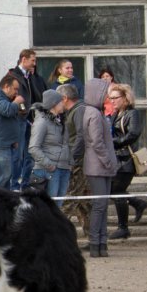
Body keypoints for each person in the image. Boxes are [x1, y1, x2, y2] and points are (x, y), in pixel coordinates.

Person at [109, 84, 147, 239]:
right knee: (114, 191)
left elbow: (133, 134)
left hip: (127, 159)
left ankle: (123, 227)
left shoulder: (132, 113)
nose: (112, 101)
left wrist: (113, 142)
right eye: (110, 98)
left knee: (116, 191)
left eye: (115, 98)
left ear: (125, 98)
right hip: (117, 158)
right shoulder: (116, 113)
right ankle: (137, 204)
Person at [83, 78, 118, 258]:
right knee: (99, 205)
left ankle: (102, 243)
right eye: (106, 93)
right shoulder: (94, 114)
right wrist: (108, 161)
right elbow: (96, 142)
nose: (108, 96)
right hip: (98, 166)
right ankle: (96, 242)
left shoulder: (96, 112)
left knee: (102, 205)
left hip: (101, 166)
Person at [9, 48, 48, 190]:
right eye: (33, 60)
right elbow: (14, 97)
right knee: (18, 155)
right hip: (20, 119)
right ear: (23, 60)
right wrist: (22, 111)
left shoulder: (31, 77)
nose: (34, 63)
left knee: (30, 153)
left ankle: (25, 183)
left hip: (32, 120)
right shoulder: (13, 75)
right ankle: (14, 184)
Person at [58, 84, 91, 236]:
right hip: (78, 160)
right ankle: (93, 237)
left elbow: (81, 136)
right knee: (83, 203)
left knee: (69, 199)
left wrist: (72, 159)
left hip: (79, 162)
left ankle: (54, 235)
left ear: (64, 98)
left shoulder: (79, 110)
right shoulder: (74, 111)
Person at [28, 89, 71, 199]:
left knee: (58, 206)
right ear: (54, 104)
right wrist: (50, 165)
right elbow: (33, 148)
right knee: (50, 207)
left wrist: (69, 162)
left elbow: (65, 144)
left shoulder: (61, 121)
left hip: (63, 167)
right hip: (50, 170)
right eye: (61, 101)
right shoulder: (42, 122)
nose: (63, 104)